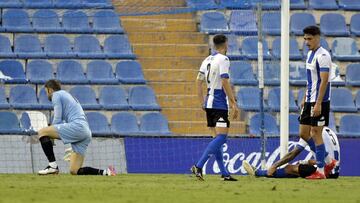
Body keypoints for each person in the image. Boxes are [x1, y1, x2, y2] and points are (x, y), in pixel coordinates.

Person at [37, 79, 116, 176]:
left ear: (50, 90)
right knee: (74, 170)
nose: (47, 95)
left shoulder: (56, 95)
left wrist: (50, 135)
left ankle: (52, 166)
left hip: (77, 127)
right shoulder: (67, 96)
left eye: (46, 92)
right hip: (86, 132)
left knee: (42, 132)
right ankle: (106, 172)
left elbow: (57, 118)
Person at [191, 34, 239, 181]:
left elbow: (198, 81)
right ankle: (199, 166)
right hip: (219, 103)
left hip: (209, 102)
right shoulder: (223, 59)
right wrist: (233, 102)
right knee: (222, 137)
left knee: (216, 138)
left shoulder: (207, 59)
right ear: (225, 44)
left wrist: (201, 102)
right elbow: (224, 81)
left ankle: (224, 173)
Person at [298, 25, 334, 179]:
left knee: (316, 133)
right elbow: (311, 80)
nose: (307, 42)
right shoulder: (310, 54)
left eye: (310, 39)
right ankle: (327, 159)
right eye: (305, 38)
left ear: (318, 37)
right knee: (304, 133)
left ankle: (320, 170)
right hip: (310, 100)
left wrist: (318, 103)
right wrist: (305, 97)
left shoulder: (323, 56)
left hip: (320, 101)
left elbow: (324, 82)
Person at [242, 127, 340, 179]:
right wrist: (306, 162)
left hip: (326, 171)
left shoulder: (312, 132)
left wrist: (275, 165)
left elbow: (293, 154)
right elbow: (324, 157)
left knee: (289, 168)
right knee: (299, 167)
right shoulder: (328, 131)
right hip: (335, 170)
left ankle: (261, 173)